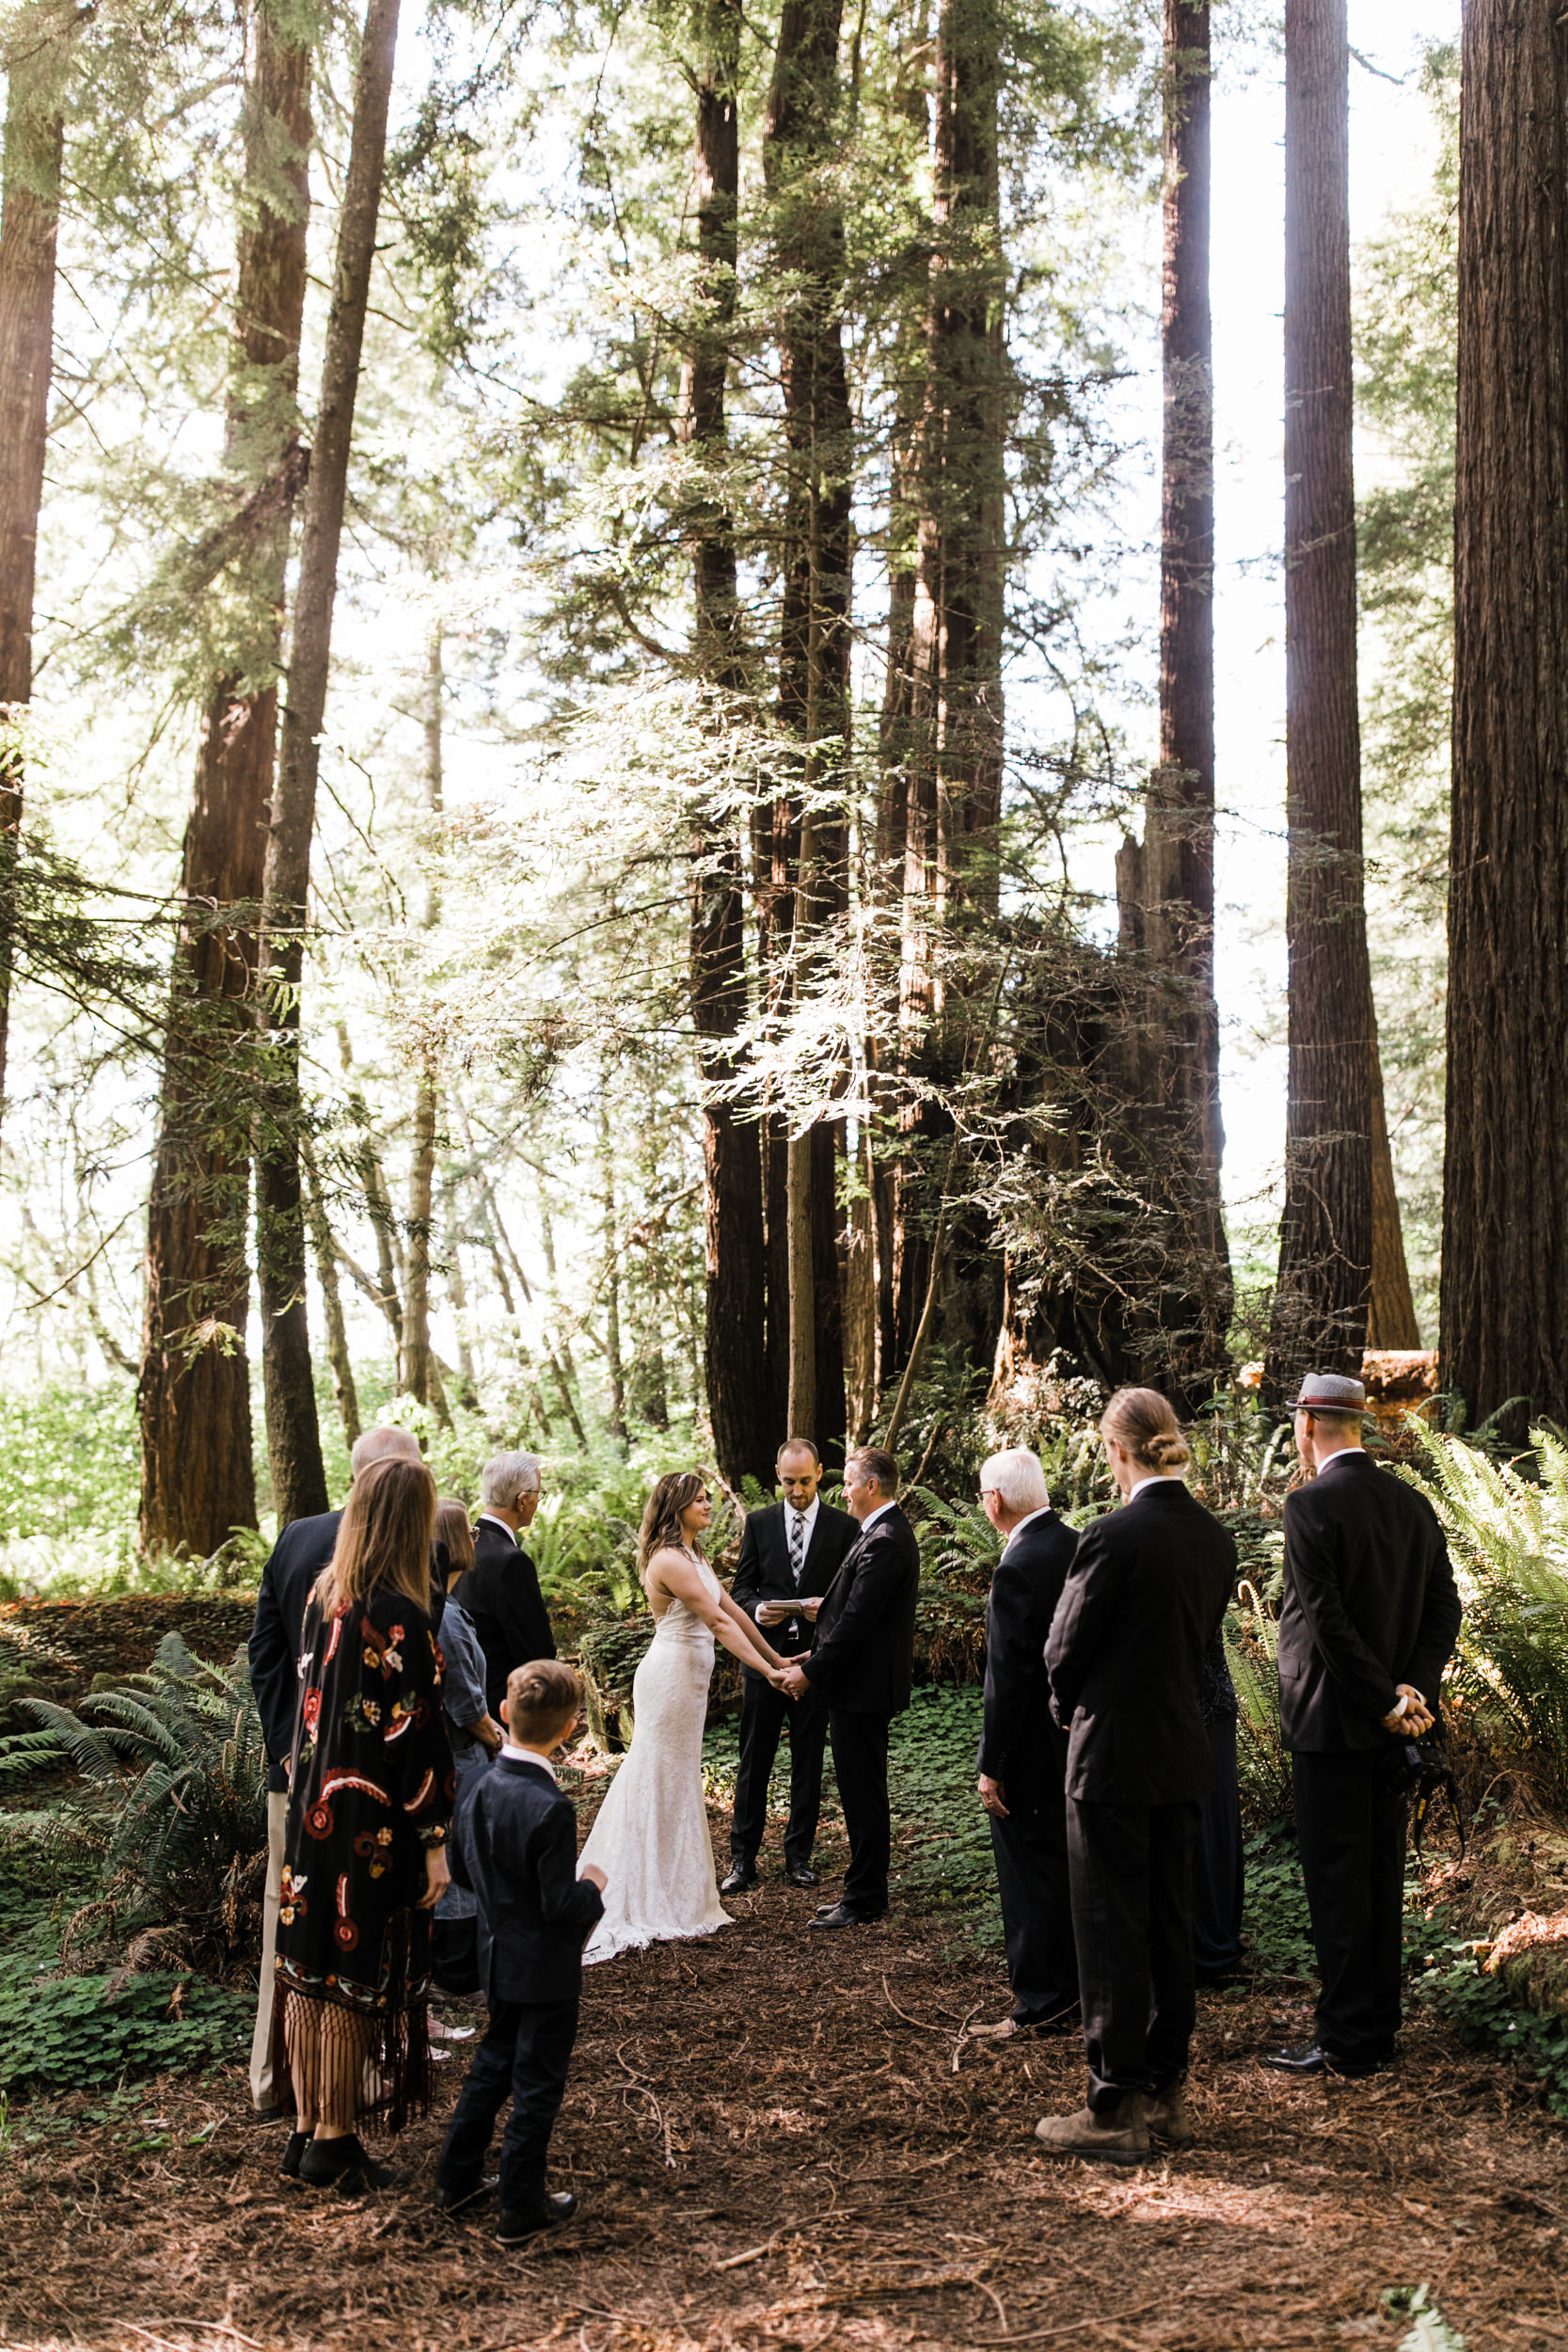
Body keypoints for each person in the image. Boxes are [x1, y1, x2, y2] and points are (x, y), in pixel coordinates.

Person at [1036, 1389, 1236, 2166]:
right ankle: (1165, 2093)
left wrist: (1062, 1706)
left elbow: (1063, 1649)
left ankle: (1112, 2108)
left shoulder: (1111, 1538)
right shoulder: (1212, 1538)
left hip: (1112, 1757)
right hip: (1183, 1753)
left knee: (1108, 1928)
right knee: (1167, 1925)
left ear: (1116, 1450)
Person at [1263, 1371, 1462, 2080]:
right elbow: (1444, 1609)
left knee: (1339, 1885)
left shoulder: (1308, 1506)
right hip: (1395, 1728)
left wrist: (1382, 1698)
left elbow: (1326, 1624)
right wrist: (1412, 1688)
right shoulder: (1411, 1505)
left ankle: (1347, 2042)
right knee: (1378, 1877)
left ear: (1307, 1425)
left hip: (1332, 1727)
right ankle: (1377, 2027)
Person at [272, 1454, 455, 2193]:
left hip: (315, 1811)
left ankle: (308, 2127)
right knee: (347, 1978)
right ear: (411, 1523)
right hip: (370, 1824)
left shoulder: (327, 1596)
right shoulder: (399, 1615)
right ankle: (337, 2140)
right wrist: (436, 1840)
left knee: (309, 1972)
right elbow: (415, 1736)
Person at [246, 1423, 424, 2119]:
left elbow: (265, 1655)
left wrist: (289, 1746)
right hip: (365, 1790)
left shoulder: (295, 1538)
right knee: (364, 1930)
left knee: (286, 1929)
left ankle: (276, 2081)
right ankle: (352, 2089)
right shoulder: (403, 1552)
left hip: (294, 1773)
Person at [578, 1470, 790, 1963]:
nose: (708, 1505)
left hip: (689, 1684)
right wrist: (764, 1672)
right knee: (656, 1774)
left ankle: (672, 1886)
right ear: (676, 1507)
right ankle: (640, 1889)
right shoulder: (670, 1559)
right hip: (669, 1679)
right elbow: (714, 1623)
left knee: (676, 1780)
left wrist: (777, 1662)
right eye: (699, 1500)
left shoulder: (694, 1556)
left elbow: (734, 1612)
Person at [435, 1659, 608, 2245]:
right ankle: (519, 2204)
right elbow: (560, 1905)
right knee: (537, 2082)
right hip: (545, 1972)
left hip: (494, 1957)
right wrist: (594, 1888)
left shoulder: (478, 1783)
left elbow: (460, 1867)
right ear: (569, 1730)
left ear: (504, 1713)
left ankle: (455, 2178)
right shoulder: (550, 1807)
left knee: (493, 2063)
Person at [780, 1446, 920, 1931]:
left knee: (863, 1795)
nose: (844, 1490)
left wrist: (811, 1671)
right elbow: (850, 1609)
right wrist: (811, 1652)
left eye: (850, 1482)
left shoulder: (885, 1538)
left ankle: (864, 1899)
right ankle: (863, 1892)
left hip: (862, 1690)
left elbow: (859, 1623)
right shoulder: (879, 1532)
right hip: (857, 1687)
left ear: (871, 1487)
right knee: (861, 1792)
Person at [971, 1447, 1080, 2039]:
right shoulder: (1078, 1544)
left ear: (995, 1501)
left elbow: (1008, 1677)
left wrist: (994, 1764)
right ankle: (1077, 1988)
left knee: (1030, 1874)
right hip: (1079, 1738)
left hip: (1033, 1749)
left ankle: (1041, 2003)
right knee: (1069, 1868)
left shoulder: (1019, 1565)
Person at [723, 1438, 857, 1894]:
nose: (796, 1491)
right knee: (753, 1760)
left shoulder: (844, 1527)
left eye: (803, 1481)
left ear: (820, 1473)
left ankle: (798, 1857)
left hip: (817, 1663)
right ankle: (742, 1860)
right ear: (776, 1475)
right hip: (764, 1661)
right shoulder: (758, 1524)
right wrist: (759, 1610)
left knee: (808, 1760)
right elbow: (740, 1590)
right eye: (787, 1482)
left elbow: (854, 1593)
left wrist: (829, 1608)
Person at [431, 1499, 503, 1999]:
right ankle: (455, 1977)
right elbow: (465, 1703)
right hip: (459, 1758)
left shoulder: (450, 1605)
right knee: (459, 1861)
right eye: (470, 1533)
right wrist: (501, 1740)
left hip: (466, 1754)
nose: (477, 1540)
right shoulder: (446, 1618)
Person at [455, 1452, 556, 1720]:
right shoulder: (511, 1561)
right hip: (506, 1708)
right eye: (539, 1493)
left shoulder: (461, 1545)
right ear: (522, 1501)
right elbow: (537, 1650)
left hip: (466, 1702)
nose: (538, 1500)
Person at [1193, 1628, 1244, 1983]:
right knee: (1217, 1819)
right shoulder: (1209, 1568)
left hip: (1189, 1707)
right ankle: (1219, 1933)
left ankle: (1205, 1944)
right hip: (1216, 1700)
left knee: (1202, 1823)